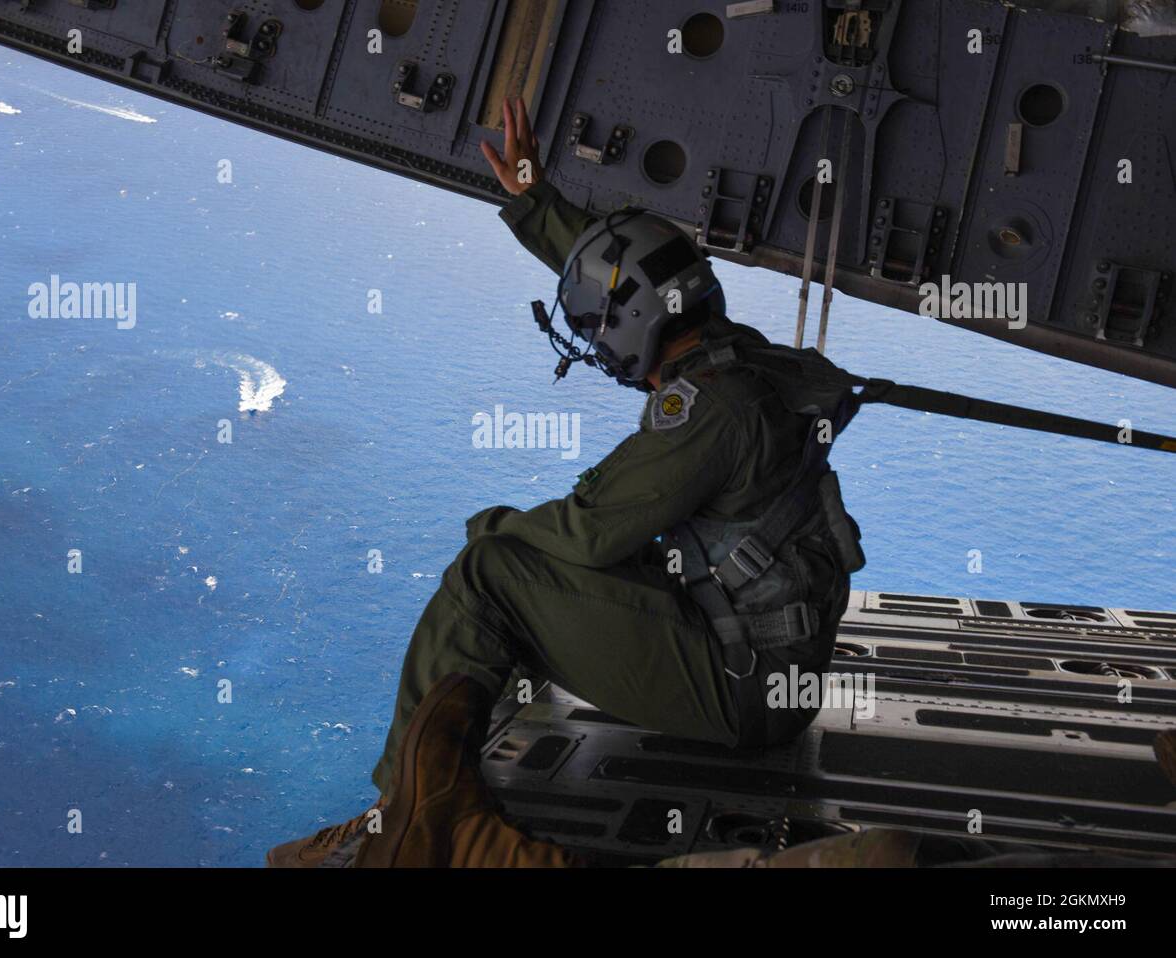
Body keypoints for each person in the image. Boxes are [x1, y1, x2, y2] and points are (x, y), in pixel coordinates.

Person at [268, 98, 866, 868]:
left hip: (742, 684)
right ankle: (421, 799)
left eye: (595, 329)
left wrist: (492, 527)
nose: (594, 340)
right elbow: (636, 284)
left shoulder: (707, 408)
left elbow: (590, 527)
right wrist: (534, 201)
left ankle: (406, 820)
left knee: (488, 575)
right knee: (544, 563)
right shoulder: (738, 358)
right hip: (764, 656)